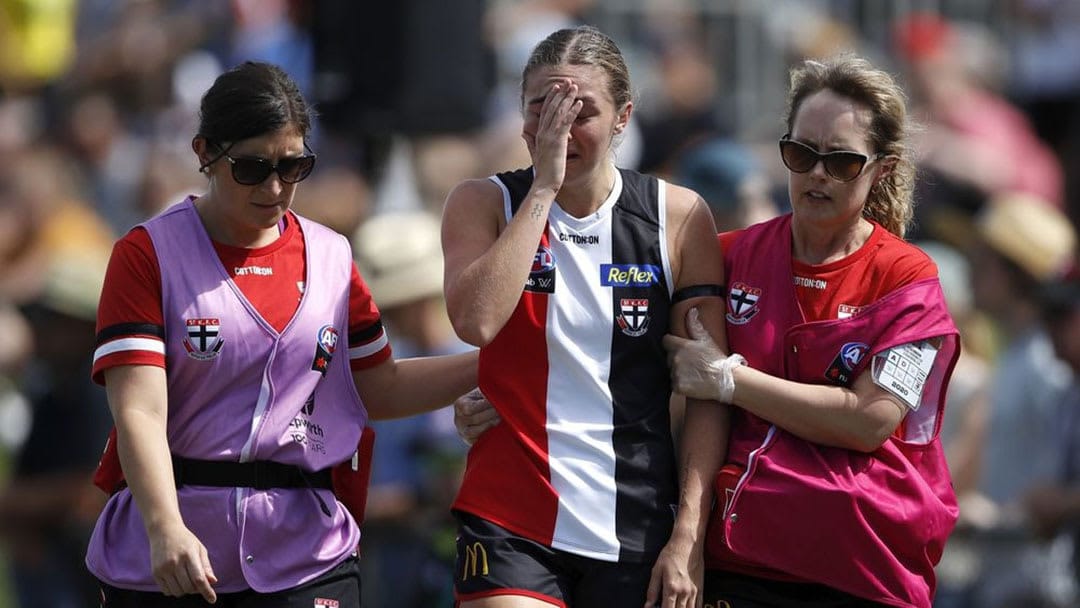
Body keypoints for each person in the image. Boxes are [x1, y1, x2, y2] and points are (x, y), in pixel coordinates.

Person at [83, 61, 478, 607]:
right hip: (177, 552)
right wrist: (164, 527)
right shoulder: (146, 253)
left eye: (294, 166)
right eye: (252, 167)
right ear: (204, 153)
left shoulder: (332, 255)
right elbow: (139, 412)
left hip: (307, 551)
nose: (274, 187)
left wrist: (494, 362)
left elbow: (378, 386)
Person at [440, 25, 729, 608]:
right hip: (511, 512)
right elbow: (475, 323)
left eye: (581, 112)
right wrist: (543, 188)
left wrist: (689, 535)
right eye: (542, 109)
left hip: (636, 514)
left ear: (624, 118)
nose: (557, 130)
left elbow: (706, 387)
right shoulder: (483, 201)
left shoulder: (678, 216)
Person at [659, 54, 962, 607]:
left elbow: (870, 421)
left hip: (866, 565)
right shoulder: (727, 258)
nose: (816, 174)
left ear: (883, 170)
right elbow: (617, 340)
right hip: (745, 560)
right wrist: (503, 390)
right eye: (800, 154)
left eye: (841, 161)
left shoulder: (909, 278)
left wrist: (730, 380)